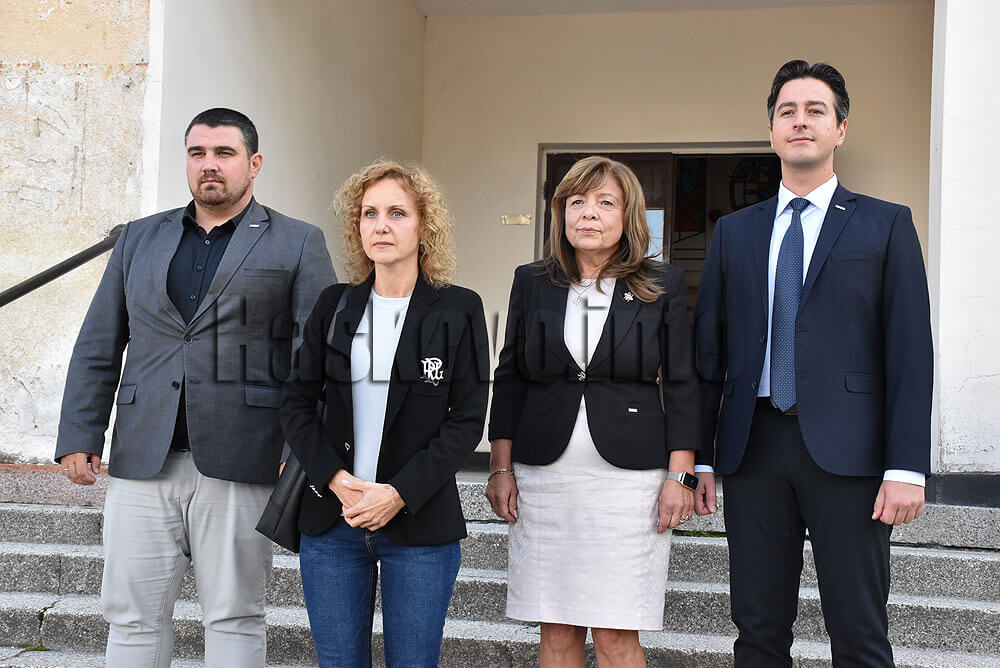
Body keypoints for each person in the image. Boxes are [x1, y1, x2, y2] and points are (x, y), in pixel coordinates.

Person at [54, 107, 335, 667]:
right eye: (197, 153)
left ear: (254, 163)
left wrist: (299, 446)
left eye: (224, 153)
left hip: (245, 457)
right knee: (130, 616)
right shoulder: (138, 238)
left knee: (234, 615)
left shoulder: (298, 241)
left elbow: (317, 356)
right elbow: (99, 342)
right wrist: (80, 432)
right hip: (142, 457)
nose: (210, 165)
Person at [694, 60, 933, 667]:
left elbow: (910, 352)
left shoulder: (886, 223)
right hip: (752, 449)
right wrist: (700, 457)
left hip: (851, 456)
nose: (800, 121)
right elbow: (709, 353)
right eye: (787, 112)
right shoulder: (734, 233)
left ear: (840, 129)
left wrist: (907, 465)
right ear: (772, 131)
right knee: (757, 631)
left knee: (859, 634)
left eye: (815, 111)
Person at [487, 155, 701, 667]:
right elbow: (510, 375)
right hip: (545, 481)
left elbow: (682, 382)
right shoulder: (531, 281)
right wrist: (500, 467)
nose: (588, 213)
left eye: (605, 203)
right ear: (560, 212)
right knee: (557, 633)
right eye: (577, 202)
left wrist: (682, 476)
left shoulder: (661, 283)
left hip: (629, 486)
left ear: (628, 216)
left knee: (615, 636)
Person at [280, 159, 490, 668]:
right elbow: (297, 403)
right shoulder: (334, 305)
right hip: (334, 521)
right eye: (369, 213)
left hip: (419, 524)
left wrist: (397, 493)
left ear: (424, 226)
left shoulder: (459, 308)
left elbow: (466, 420)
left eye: (397, 213)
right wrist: (337, 481)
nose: (381, 225)